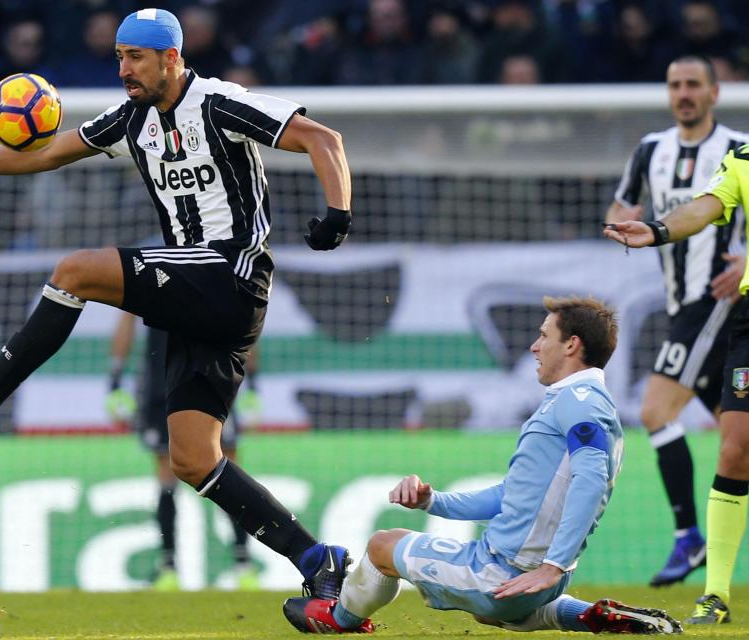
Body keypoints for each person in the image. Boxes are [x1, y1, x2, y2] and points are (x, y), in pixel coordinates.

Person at [0, 7, 354, 600]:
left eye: (134, 57)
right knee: (193, 459)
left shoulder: (220, 102)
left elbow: (323, 138)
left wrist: (338, 214)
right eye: (118, 57)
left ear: (172, 57)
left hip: (231, 277)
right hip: (198, 300)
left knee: (75, 271)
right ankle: (317, 558)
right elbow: (43, 154)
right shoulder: (130, 118)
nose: (124, 69)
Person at [283, 296, 683, 635]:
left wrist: (552, 564)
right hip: (539, 582)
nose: (534, 346)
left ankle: (336, 620)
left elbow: (591, 477)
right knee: (497, 609)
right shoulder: (586, 400)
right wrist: (432, 502)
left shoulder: (578, 402)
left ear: (571, 345)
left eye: (544, 335)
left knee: (382, 545)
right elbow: (508, 496)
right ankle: (590, 616)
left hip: (507, 570)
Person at [604, 54, 749, 588]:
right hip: (679, 303)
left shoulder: (737, 148)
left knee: (655, 409)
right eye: (675, 85)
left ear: (714, 92)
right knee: (738, 436)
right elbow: (622, 208)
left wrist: (745, 261)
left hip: (716, 301)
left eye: (693, 84)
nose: (683, 93)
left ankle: (689, 536)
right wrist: (619, 226)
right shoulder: (650, 151)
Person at [106, 313, 260, 591]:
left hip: (214, 377)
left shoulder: (217, 272)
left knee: (227, 466)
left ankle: (243, 563)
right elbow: (128, 316)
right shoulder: (152, 271)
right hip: (165, 383)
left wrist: (254, 382)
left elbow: (247, 317)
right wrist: (115, 380)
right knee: (169, 471)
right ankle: (169, 568)